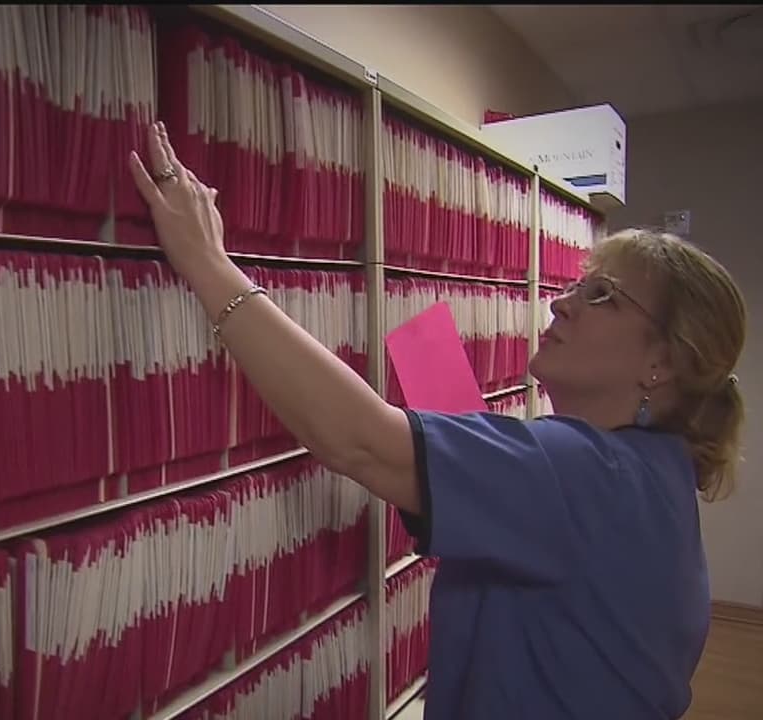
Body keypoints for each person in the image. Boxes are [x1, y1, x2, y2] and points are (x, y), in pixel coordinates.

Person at [126, 121, 747, 719]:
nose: (562, 303)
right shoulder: (653, 471)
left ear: (664, 362)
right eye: (579, 285)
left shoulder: (588, 472)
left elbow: (359, 442)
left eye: (602, 295)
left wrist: (206, 262)